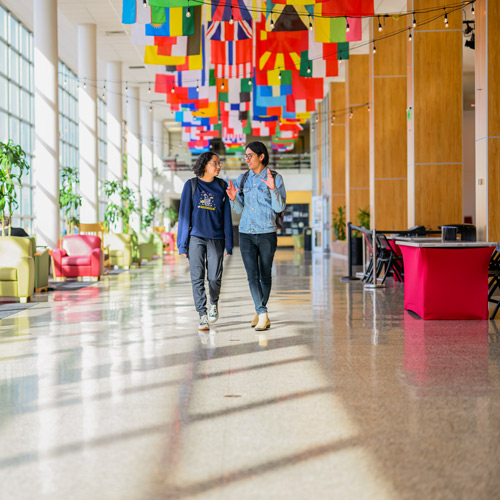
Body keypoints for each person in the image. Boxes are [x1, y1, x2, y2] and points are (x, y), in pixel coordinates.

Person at [226, 141, 286, 331]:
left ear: (262, 156)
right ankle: (262, 313)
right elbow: (240, 209)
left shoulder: (275, 177)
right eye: (246, 155)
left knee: (265, 274)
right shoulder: (242, 179)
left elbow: (279, 207)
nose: (247, 159)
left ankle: (260, 311)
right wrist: (234, 199)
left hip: (267, 232)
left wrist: (272, 188)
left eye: (250, 155)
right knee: (252, 275)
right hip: (246, 233)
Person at [177, 152, 233, 331]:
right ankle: (202, 315)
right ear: (204, 165)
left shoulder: (222, 186)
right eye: (215, 163)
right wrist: (182, 244)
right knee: (197, 277)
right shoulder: (191, 185)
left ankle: (214, 303)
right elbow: (184, 215)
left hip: (216, 238)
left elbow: (226, 216)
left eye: (219, 163)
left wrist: (229, 243)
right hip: (196, 238)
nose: (218, 166)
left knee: (215, 277)